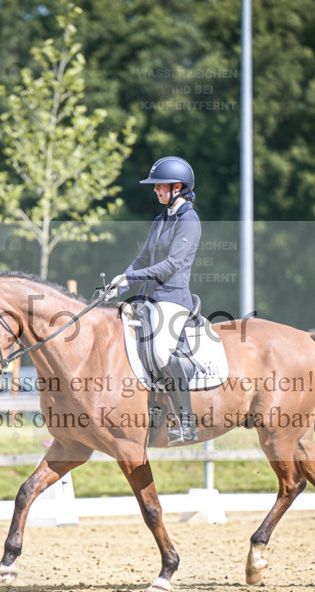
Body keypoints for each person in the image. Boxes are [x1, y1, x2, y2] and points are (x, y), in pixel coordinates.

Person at [107, 156, 201, 445]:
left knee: (162, 352)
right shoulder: (162, 218)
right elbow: (144, 258)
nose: (155, 190)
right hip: (149, 298)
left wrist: (131, 279)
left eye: (159, 186)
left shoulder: (189, 221)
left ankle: (186, 423)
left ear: (178, 187)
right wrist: (120, 280)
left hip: (173, 299)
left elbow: (170, 265)